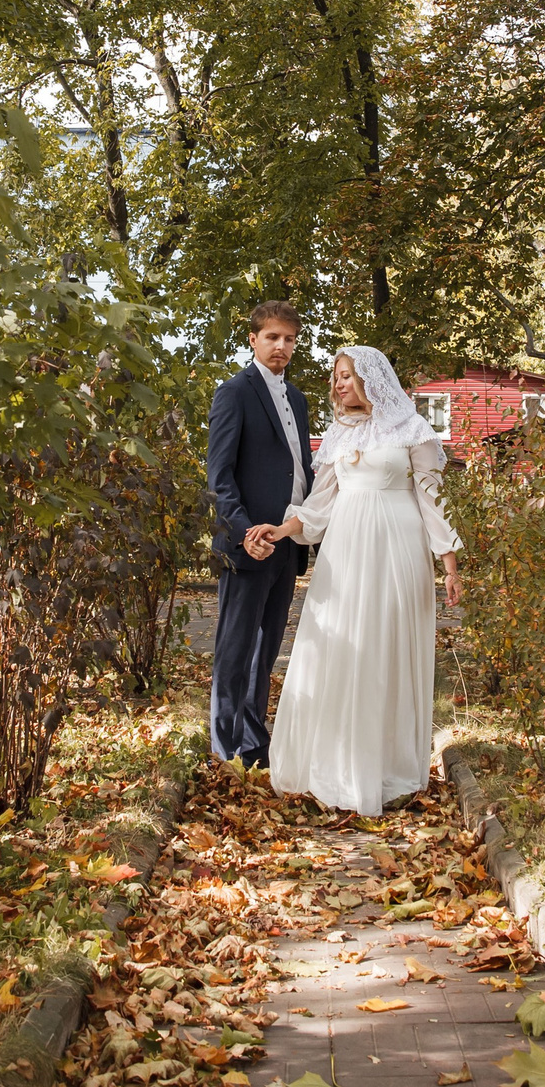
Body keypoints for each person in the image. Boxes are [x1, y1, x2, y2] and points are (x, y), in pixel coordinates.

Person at [245, 346, 463, 816]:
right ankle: (334, 765)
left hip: (397, 549)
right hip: (344, 552)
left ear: (371, 378)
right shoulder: (338, 434)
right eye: (336, 377)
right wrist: (280, 529)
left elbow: (432, 499)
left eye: (347, 376)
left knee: (383, 645)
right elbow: (319, 505)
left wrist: (448, 562)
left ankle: (384, 766)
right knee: (343, 645)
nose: (338, 384)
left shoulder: (413, 429)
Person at [203, 301, 319, 769]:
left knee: (268, 645)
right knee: (235, 646)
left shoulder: (298, 399)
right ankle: (223, 746)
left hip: (286, 542)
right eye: (273, 337)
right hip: (249, 542)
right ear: (253, 339)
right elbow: (219, 474)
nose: (282, 346)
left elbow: (301, 469)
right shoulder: (234, 393)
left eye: (289, 339)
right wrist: (242, 530)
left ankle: (254, 740)